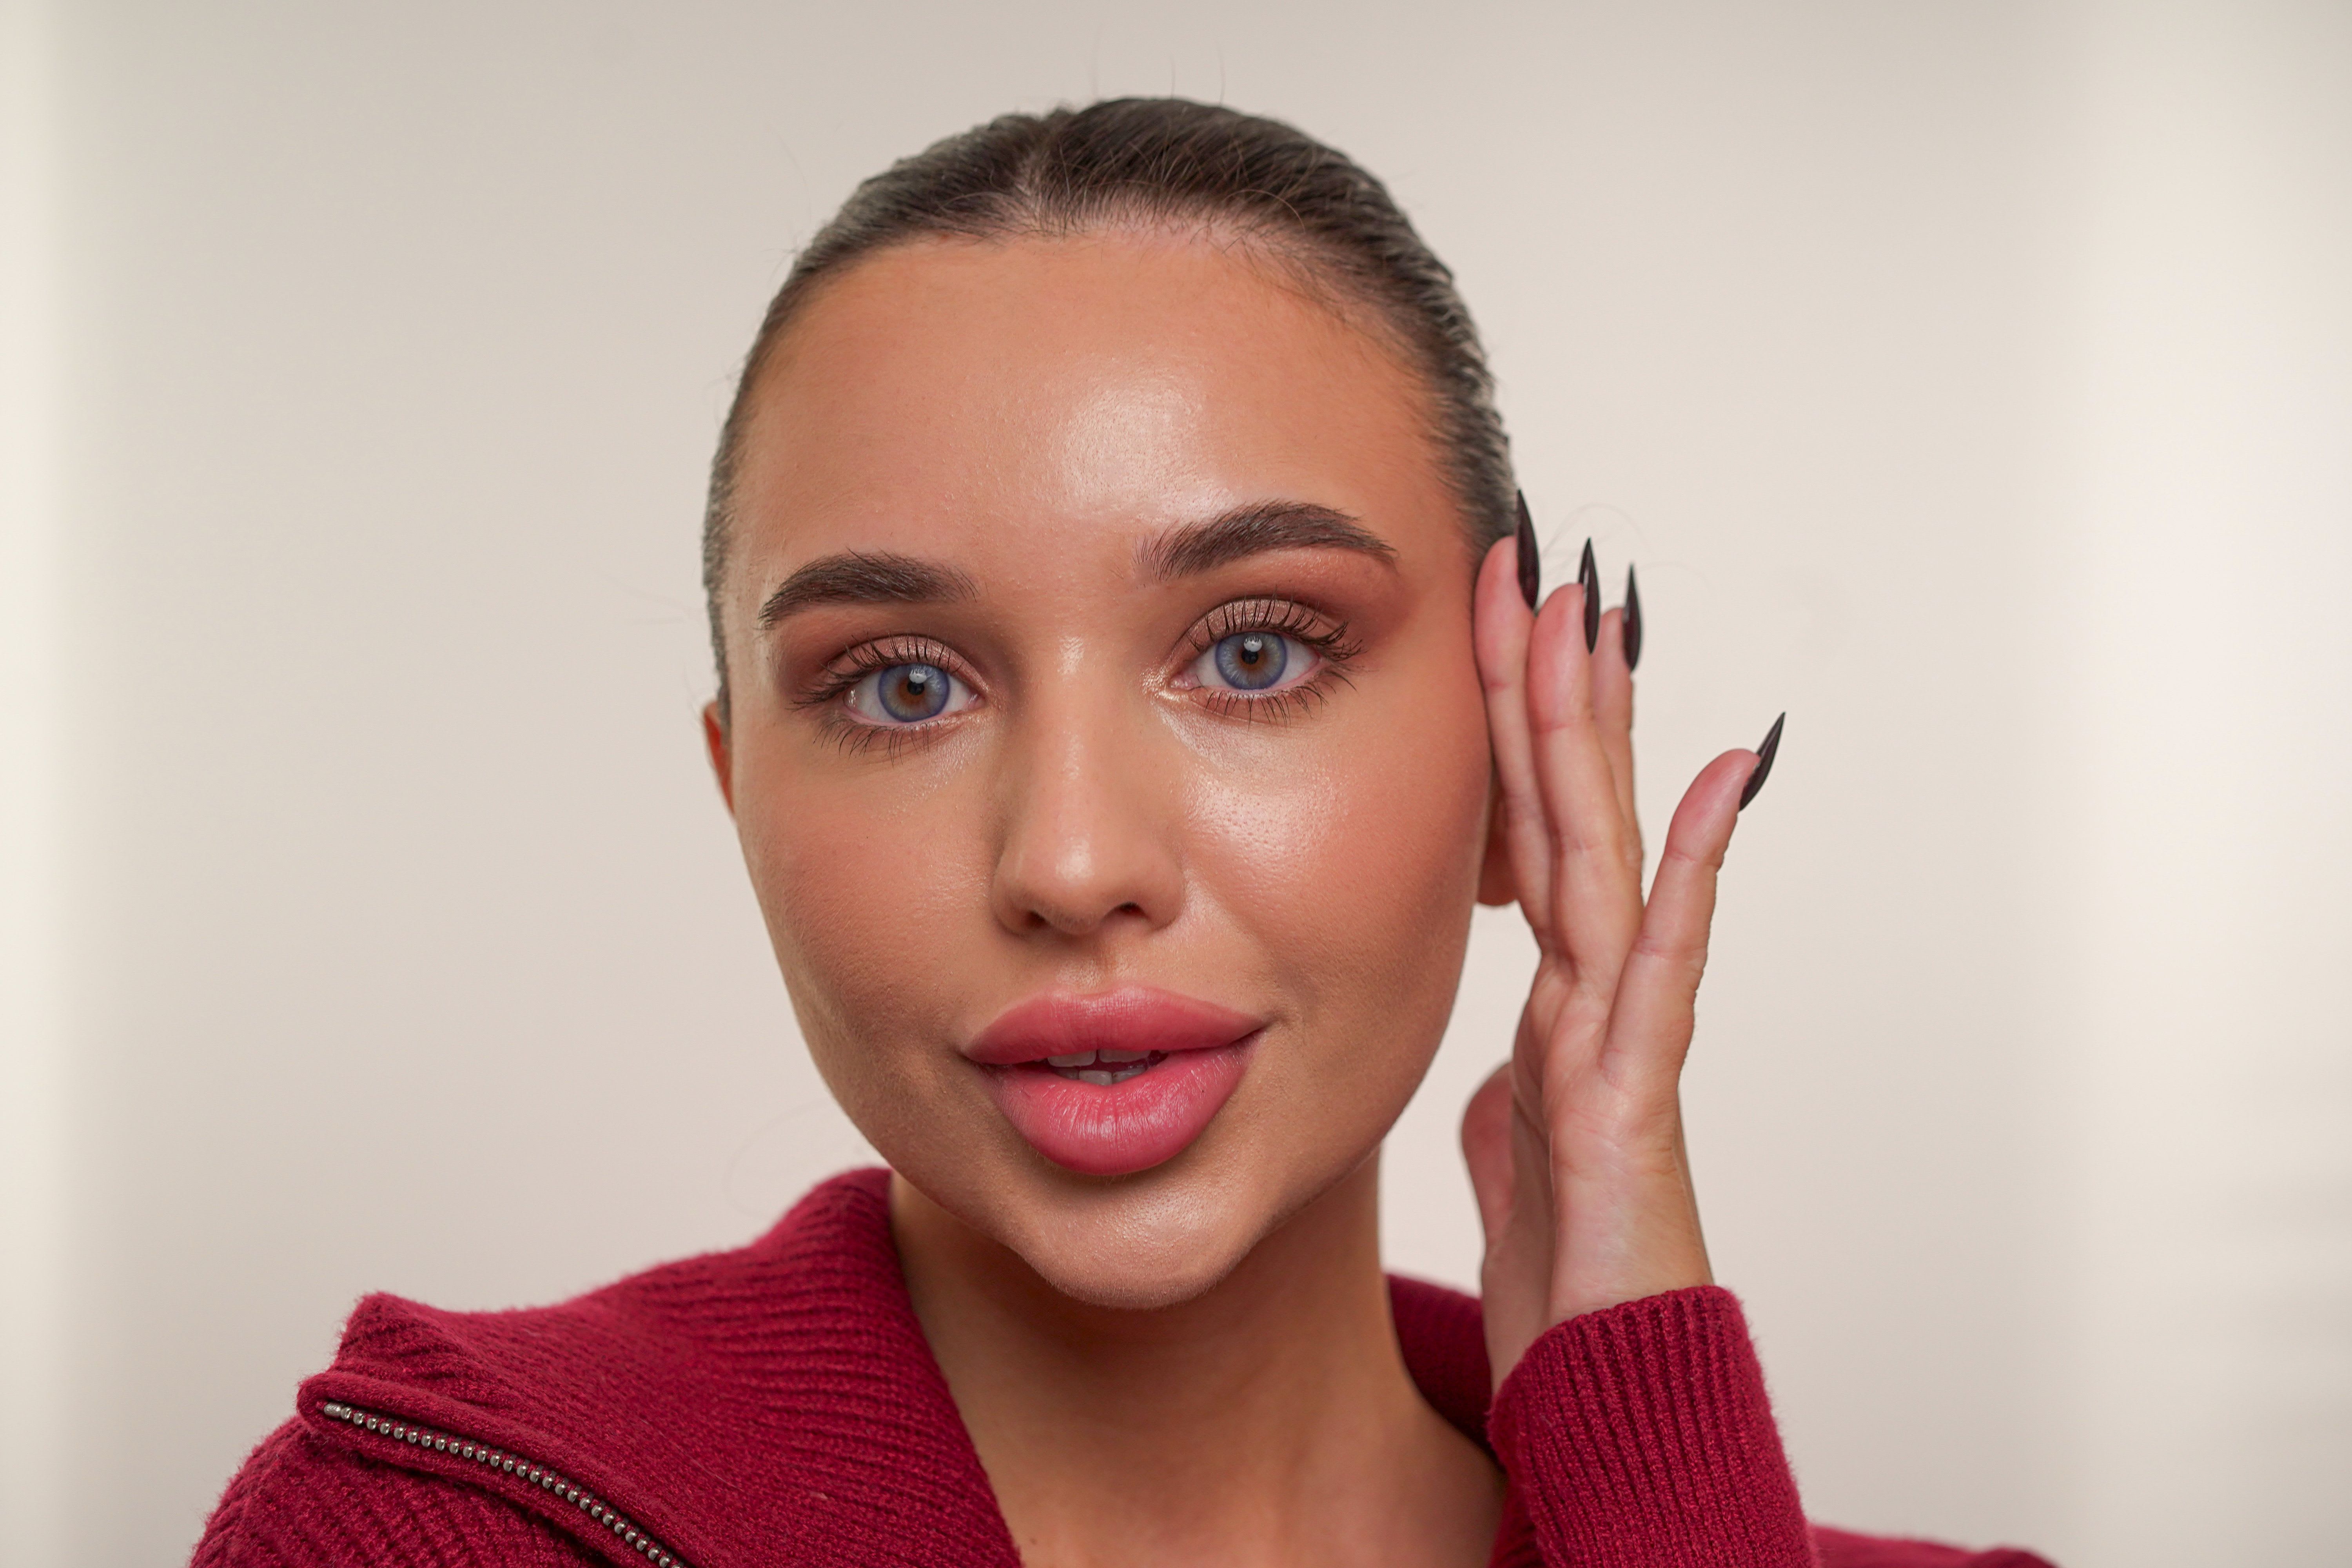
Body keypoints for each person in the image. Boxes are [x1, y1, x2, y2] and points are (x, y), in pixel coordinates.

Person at [193, 99, 2051, 1568]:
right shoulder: (434, 1533)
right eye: (903, 686)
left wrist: (1652, 1476)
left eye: (1253, 651)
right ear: (739, 794)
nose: (1073, 863)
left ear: (1517, 753)